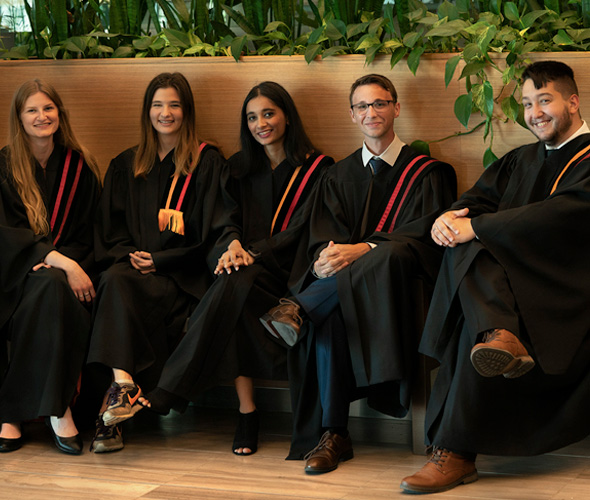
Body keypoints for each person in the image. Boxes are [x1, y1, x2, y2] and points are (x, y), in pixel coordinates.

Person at [400, 60, 590, 494]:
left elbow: (567, 216)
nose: (534, 112)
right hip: (506, 287)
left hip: (564, 287)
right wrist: (448, 219)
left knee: (475, 253)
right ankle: (499, 335)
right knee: (465, 248)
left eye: (545, 100)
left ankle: (455, 452)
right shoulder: (520, 159)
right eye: (526, 104)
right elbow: (476, 200)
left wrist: (479, 228)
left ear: (573, 101)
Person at [261, 74, 457, 473]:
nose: (372, 113)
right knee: (331, 313)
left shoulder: (428, 172)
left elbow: (424, 235)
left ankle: (298, 307)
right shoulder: (337, 176)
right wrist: (321, 260)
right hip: (347, 293)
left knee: (390, 253)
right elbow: (323, 236)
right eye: (363, 106)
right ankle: (335, 434)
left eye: (380, 103)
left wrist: (364, 248)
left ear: (396, 108)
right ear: (352, 115)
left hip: (403, 285)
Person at [132, 81, 334, 456]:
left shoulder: (318, 168)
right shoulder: (239, 167)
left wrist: (252, 252)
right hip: (243, 269)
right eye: (253, 117)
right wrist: (233, 245)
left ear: (287, 115)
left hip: (290, 276)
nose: (261, 124)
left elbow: (303, 229)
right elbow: (226, 219)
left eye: (269, 114)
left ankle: (175, 390)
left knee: (231, 284)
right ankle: (247, 411)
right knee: (232, 286)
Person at [86, 72, 226, 453]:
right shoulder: (126, 164)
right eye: (158, 105)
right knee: (115, 279)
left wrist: (161, 260)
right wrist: (130, 257)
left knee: (117, 286)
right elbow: (109, 230)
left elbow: (209, 234)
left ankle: (115, 404)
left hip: (180, 277)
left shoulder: (205, 162)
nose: (166, 113)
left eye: (174, 105)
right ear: (147, 111)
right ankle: (122, 388)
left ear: (187, 111)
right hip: (130, 271)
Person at [0, 79, 101, 454]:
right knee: (50, 286)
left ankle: (18, 412)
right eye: (32, 110)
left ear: (59, 113)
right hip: (13, 274)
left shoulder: (81, 166)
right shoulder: (4, 166)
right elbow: (5, 234)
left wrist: (68, 265)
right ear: (19, 118)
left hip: (66, 275)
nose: (41, 116)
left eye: (48, 108)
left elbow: (94, 232)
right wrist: (50, 259)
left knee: (54, 288)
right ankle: (54, 411)